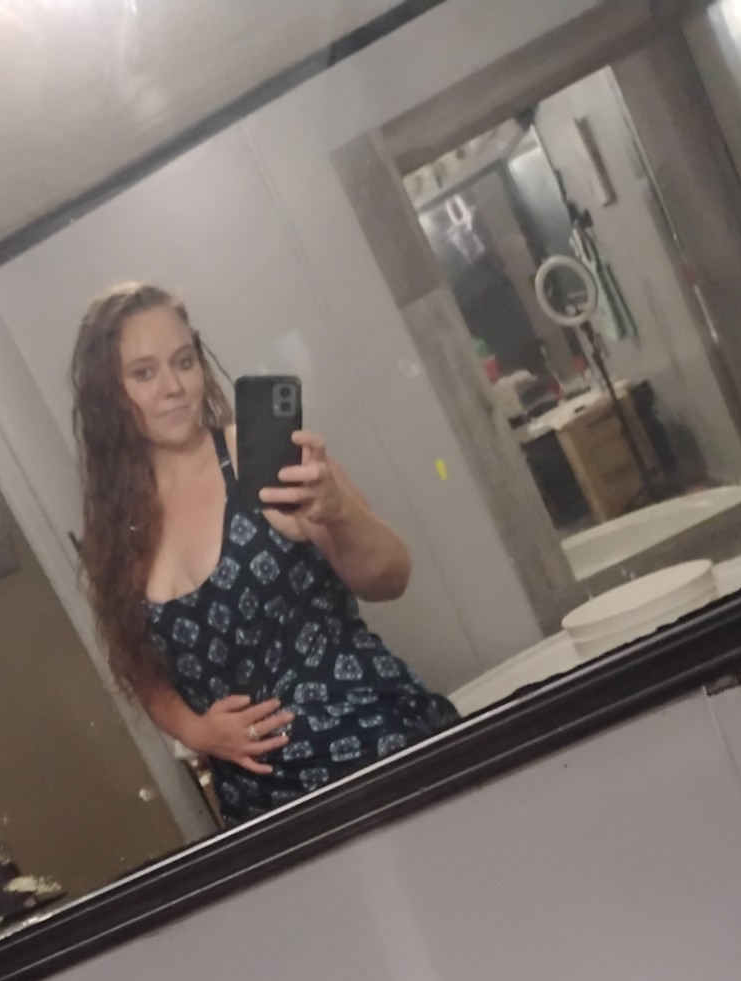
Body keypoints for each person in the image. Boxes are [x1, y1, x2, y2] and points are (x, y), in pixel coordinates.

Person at [70, 282, 458, 827]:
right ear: (108, 395)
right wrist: (197, 731)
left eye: (184, 362)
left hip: (373, 751)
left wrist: (339, 512)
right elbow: (138, 664)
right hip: (263, 812)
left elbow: (390, 577)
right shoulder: (115, 528)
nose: (173, 387)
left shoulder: (259, 454)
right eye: (144, 373)